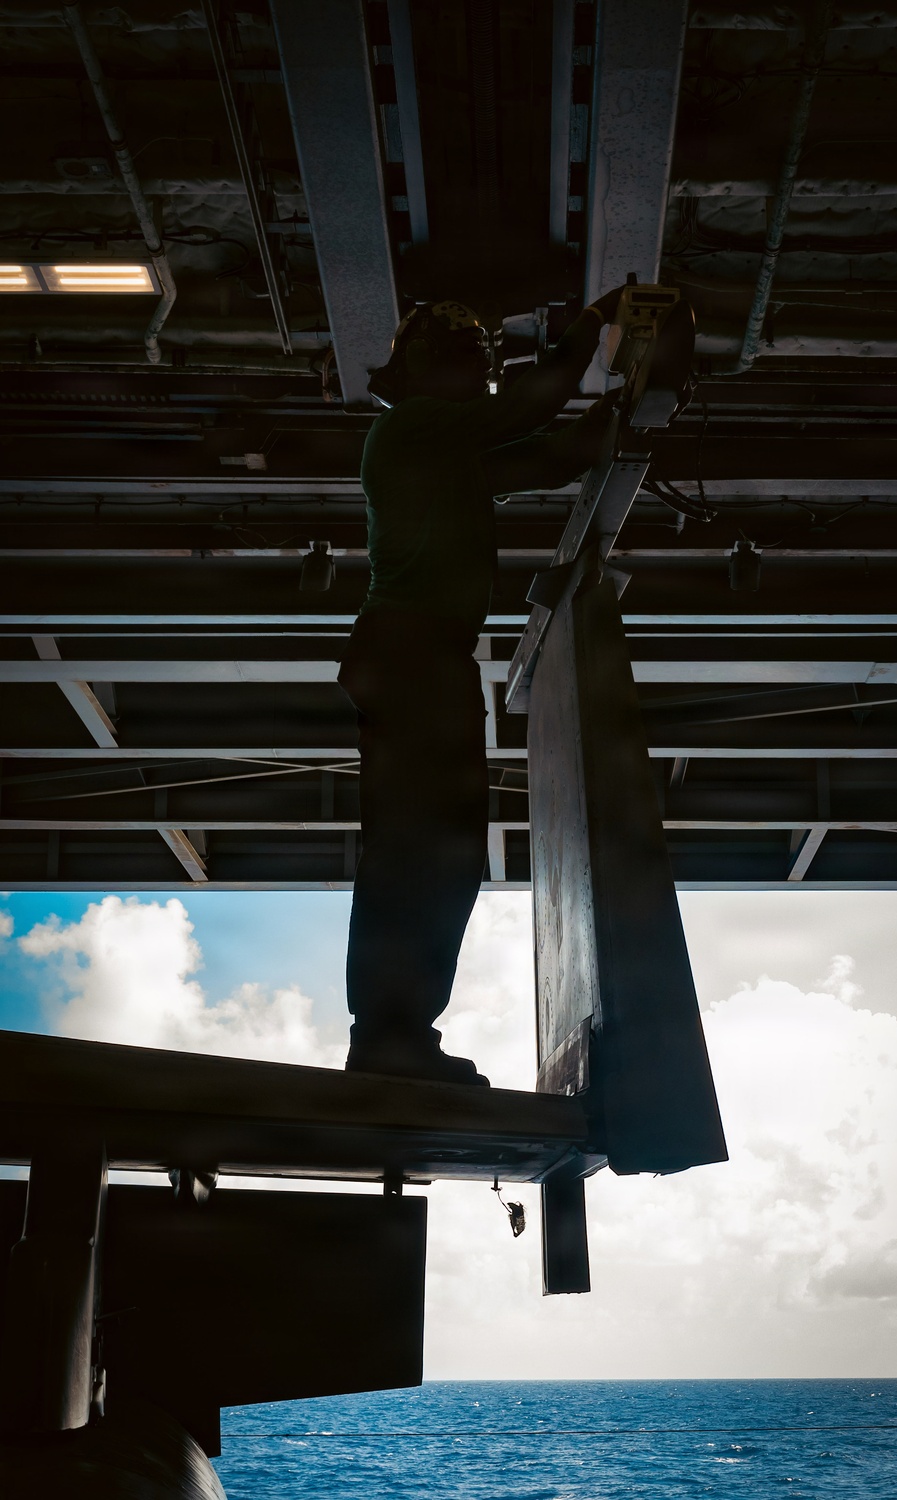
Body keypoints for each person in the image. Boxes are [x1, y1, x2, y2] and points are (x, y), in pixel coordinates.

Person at [339, 287, 628, 1086]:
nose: (484, 380)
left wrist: (614, 418)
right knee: (418, 853)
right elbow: (532, 411)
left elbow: (542, 455)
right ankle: (388, 1038)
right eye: (473, 363)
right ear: (432, 367)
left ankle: (397, 1034)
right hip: (411, 657)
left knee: (438, 854)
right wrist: (590, 328)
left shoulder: (438, 445)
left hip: (419, 660)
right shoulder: (414, 426)